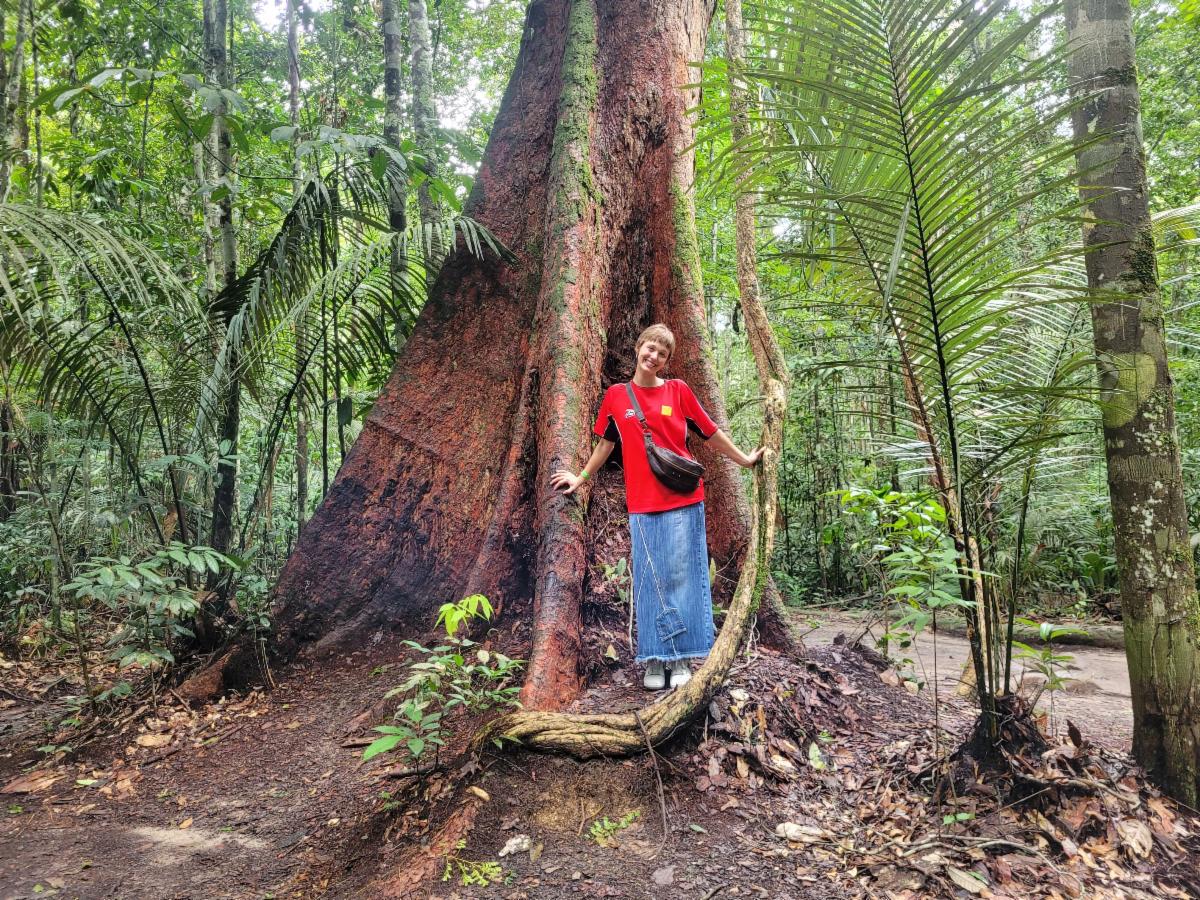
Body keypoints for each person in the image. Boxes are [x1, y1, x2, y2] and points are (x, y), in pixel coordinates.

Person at [550, 324, 762, 690]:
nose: (654, 357)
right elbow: (606, 445)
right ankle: (653, 658)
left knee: (681, 576)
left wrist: (744, 460)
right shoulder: (617, 396)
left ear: (667, 360)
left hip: (683, 498)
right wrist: (581, 478)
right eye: (650, 349)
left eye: (662, 354)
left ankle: (679, 656)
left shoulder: (678, 391)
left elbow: (709, 431)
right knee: (650, 580)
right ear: (638, 348)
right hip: (642, 503)